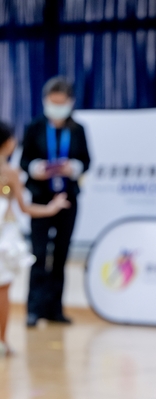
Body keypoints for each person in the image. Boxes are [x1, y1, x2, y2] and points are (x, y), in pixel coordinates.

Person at [20, 76, 90, 327]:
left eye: (61, 103)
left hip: (68, 200)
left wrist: (74, 167)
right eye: (53, 102)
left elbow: (87, 161)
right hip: (40, 200)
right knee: (38, 254)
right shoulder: (35, 127)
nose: (57, 107)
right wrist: (36, 168)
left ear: (70, 102)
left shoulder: (77, 129)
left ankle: (55, 310)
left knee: (61, 254)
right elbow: (24, 160)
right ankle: (34, 309)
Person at [0, 121, 69, 355]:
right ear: (8, 143)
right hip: (4, 237)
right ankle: (1, 341)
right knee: (2, 288)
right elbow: (25, 207)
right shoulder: (10, 173)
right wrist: (52, 208)